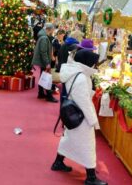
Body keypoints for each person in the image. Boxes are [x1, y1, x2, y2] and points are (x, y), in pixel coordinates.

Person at [51, 49, 107, 185]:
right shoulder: (81, 77)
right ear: (87, 63)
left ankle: (58, 162)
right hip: (82, 117)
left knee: (69, 139)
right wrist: (94, 121)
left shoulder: (75, 72)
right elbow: (84, 102)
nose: (95, 66)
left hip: (73, 114)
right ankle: (91, 177)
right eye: (93, 63)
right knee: (87, 145)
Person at [32, 23, 58, 103]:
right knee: (47, 77)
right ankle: (49, 95)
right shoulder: (44, 38)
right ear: (48, 29)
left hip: (42, 60)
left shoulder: (43, 36)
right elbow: (43, 52)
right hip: (44, 61)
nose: (52, 32)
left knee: (43, 76)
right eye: (52, 31)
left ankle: (41, 93)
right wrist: (47, 63)